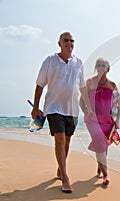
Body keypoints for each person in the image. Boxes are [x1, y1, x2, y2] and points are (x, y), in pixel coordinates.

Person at [31, 32, 92, 193]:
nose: (69, 43)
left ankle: (60, 168)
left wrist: (88, 107)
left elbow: (82, 87)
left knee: (67, 141)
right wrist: (35, 107)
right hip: (53, 107)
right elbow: (40, 85)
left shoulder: (78, 63)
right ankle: (65, 178)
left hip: (72, 109)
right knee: (59, 139)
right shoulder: (50, 61)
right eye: (66, 40)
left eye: (72, 41)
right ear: (59, 43)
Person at [80, 58, 120, 185]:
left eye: (103, 65)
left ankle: (100, 167)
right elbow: (81, 100)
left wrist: (117, 120)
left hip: (108, 121)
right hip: (92, 120)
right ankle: (106, 175)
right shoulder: (90, 82)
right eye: (98, 65)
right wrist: (85, 111)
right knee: (99, 144)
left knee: (104, 147)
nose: (100, 67)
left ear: (107, 69)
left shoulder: (112, 85)